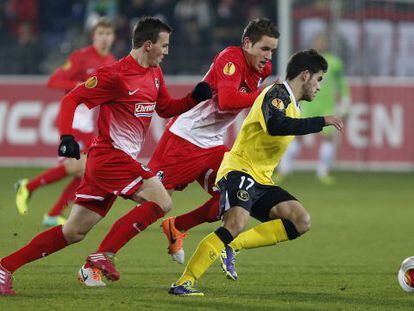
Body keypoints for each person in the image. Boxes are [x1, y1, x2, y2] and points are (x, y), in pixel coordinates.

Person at [0, 16, 212, 295]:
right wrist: (66, 136)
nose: (167, 51)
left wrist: (193, 99)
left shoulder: (155, 74)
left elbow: (166, 109)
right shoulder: (115, 74)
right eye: (165, 45)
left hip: (112, 163)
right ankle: (103, 256)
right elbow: (70, 98)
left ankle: (5, 267)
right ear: (148, 45)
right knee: (161, 199)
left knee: (73, 231)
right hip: (111, 156)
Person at [76, 18, 279, 287]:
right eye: (264, 49)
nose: (268, 57)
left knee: (234, 197)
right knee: (155, 204)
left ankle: (178, 226)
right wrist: (264, 96)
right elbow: (228, 100)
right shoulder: (231, 58)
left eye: (272, 51)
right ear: (247, 44)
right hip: (183, 139)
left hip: (212, 144)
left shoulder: (263, 69)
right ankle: (98, 260)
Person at [168, 49, 344, 296]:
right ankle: (184, 282)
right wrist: (321, 121)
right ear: (305, 75)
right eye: (319, 79)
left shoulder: (293, 105)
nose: (319, 86)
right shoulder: (277, 94)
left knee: (300, 220)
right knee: (235, 223)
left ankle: (233, 246)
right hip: (240, 171)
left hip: (260, 179)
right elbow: (276, 125)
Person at [15, 18, 117, 226]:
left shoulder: (112, 62)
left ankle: (52, 214)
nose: (105, 38)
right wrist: (79, 84)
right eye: (101, 34)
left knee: (86, 172)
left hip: (89, 124)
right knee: (77, 166)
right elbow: (53, 81)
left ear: (113, 37)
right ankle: (28, 186)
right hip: (74, 120)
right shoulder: (81, 57)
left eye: (108, 34)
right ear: (94, 36)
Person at [278, 33, 350, 185]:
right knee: (296, 136)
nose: (320, 44)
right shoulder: (305, 62)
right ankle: (284, 170)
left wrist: (345, 99)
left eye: (322, 41)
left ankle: (323, 172)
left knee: (329, 138)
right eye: (317, 41)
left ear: (326, 44)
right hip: (307, 105)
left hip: (327, 106)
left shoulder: (334, 62)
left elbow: (342, 83)